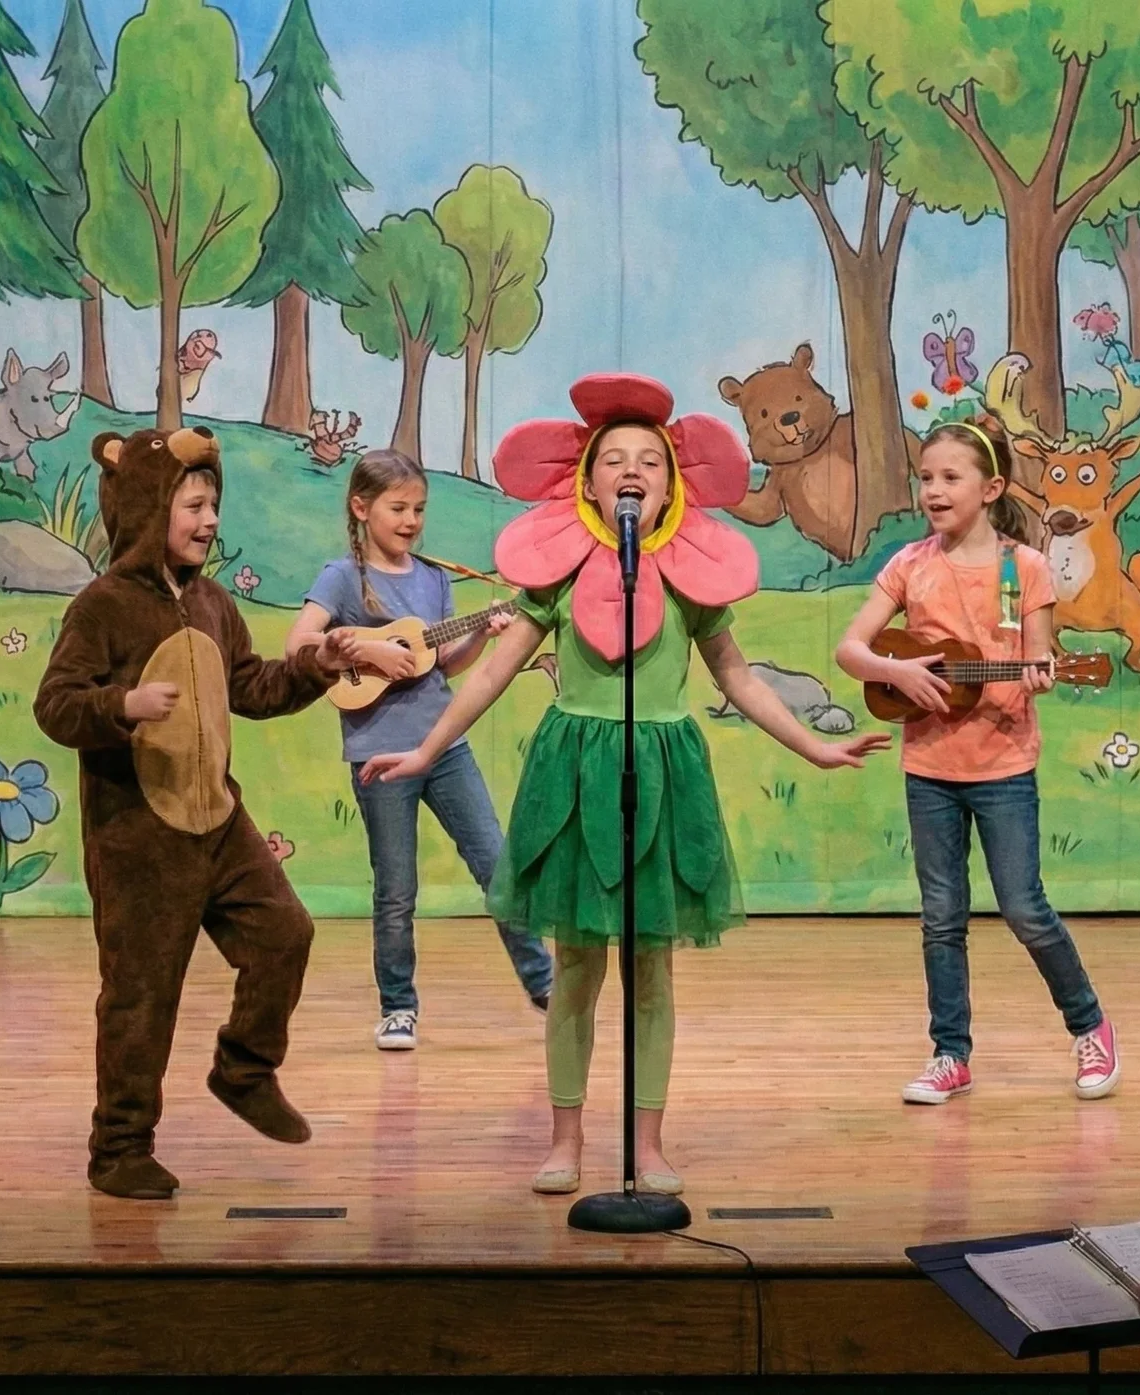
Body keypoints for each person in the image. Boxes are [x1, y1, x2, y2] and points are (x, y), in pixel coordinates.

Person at [360, 373, 889, 1196]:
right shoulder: (559, 575)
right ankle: (566, 1136)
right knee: (576, 965)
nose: (632, 470)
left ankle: (646, 1144)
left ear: (674, 481)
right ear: (587, 478)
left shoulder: (687, 576)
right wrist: (426, 749)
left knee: (652, 968)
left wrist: (812, 751)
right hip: (575, 770)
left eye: (651, 459)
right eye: (614, 460)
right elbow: (493, 672)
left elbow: (740, 678)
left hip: (662, 769)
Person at [35, 426, 356, 1201]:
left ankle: (244, 1069)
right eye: (193, 503)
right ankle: (119, 1149)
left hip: (218, 823)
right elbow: (55, 705)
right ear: (151, 508)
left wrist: (321, 666)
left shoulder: (213, 603)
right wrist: (124, 704)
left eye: (214, 504)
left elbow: (253, 687)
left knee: (286, 932)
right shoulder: (103, 606)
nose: (209, 519)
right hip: (139, 839)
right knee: (143, 996)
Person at [831, 416, 1117, 1105]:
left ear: (990, 487)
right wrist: (895, 675)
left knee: (1024, 907)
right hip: (929, 765)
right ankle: (949, 1052)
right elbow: (852, 650)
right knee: (941, 915)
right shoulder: (909, 565)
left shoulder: (1026, 568)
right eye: (926, 477)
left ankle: (1090, 1026)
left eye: (950, 477)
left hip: (1003, 765)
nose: (933, 489)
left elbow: (1037, 654)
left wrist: (1045, 670)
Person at [285, 449, 555, 1050]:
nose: (411, 520)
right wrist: (363, 651)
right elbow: (299, 642)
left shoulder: (435, 578)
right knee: (396, 888)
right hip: (378, 756)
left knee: (495, 865)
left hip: (445, 745)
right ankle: (398, 1006)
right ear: (361, 508)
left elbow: (442, 664)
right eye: (398, 507)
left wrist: (482, 634)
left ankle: (546, 986)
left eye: (419, 509)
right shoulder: (341, 577)